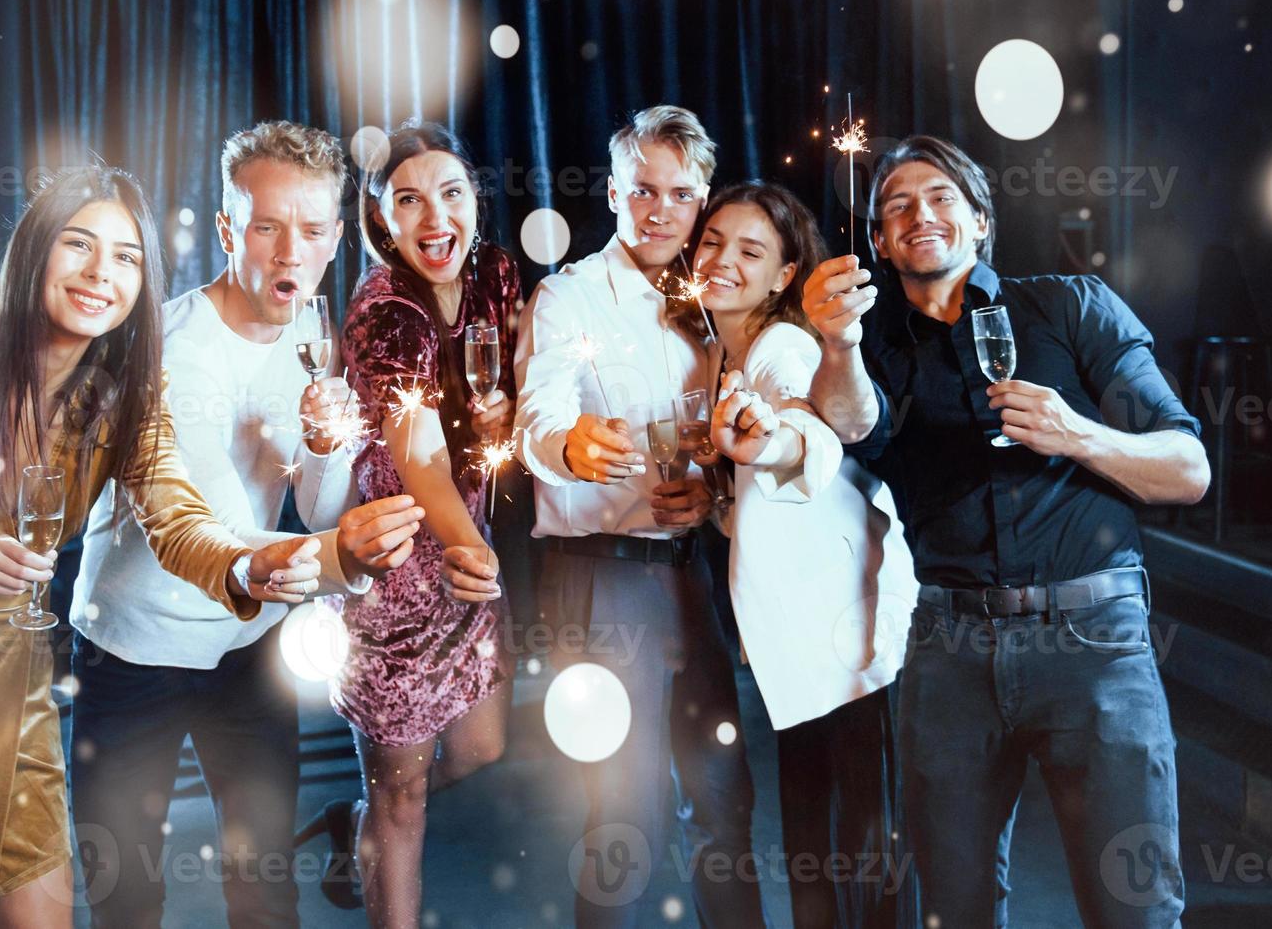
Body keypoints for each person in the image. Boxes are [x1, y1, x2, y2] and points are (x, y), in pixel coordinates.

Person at [0, 165, 324, 929]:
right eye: (79, 245)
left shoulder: (121, 396)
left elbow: (175, 515)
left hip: (13, 698)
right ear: (34, 250)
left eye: (128, 257)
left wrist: (241, 565)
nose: (102, 273)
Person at [801, 135, 1209, 929]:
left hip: (1095, 643)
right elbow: (853, 424)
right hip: (949, 653)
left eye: (941, 196)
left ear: (980, 219)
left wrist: (1081, 435)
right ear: (879, 242)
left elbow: (1187, 468)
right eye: (897, 206)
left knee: (1136, 909)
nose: (921, 213)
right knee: (953, 911)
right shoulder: (876, 344)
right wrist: (838, 342)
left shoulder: (1070, 304)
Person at [67, 123, 424, 929]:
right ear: (231, 230)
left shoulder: (314, 337)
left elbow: (322, 505)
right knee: (125, 898)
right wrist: (339, 556)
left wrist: (330, 450)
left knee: (265, 894)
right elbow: (194, 534)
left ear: (337, 239)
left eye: (309, 231)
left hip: (247, 649)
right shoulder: (161, 348)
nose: (288, 254)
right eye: (267, 227)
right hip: (135, 648)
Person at [514, 105, 761, 928]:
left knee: (727, 801)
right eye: (643, 191)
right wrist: (569, 446)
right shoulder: (568, 296)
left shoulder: (714, 307)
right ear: (614, 192)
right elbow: (534, 424)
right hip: (601, 581)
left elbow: (729, 440)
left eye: (681, 195)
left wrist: (712, 494)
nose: (661, 211)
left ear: (703, 200)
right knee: (625, 821)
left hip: (694, 576)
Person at [689, 182, 920, 929]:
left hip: (846, 644)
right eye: (713, 241)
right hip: (806, 656)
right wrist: (718, 500)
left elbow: (807, 431)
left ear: (786, 275)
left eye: (750, 251)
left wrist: (776, 441)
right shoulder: (727, 355)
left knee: (855, 857)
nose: (722, 259)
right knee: (822, 852)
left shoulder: (782, 348)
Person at [322, 122, 518, 928]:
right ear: (382, 221)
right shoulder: (381, 311)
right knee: (402, 798)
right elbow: (422, 459)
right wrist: (473, 548)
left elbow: (506, 394)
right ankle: (375, 822)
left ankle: (353, 819)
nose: (434, 216)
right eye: (408, 199)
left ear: (473, 201)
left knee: (480, 748)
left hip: (471, 548)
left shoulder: (495, 276)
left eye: (450, 193)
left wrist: (505, 415)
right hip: (401, 565)